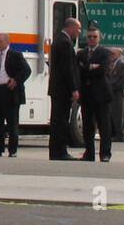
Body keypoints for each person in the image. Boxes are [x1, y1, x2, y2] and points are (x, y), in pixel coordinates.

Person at [0, 33, 31, 157]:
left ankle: (12, 150)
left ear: (7, 42)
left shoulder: (16, 55)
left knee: (12, 123)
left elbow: (27, 70)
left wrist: (16, 80)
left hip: (10, 91)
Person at [77, 24, 114, 162]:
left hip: (102, 94)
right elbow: (78, 70)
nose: (92, 39)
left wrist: (88, 68)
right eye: (89, 37)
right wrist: (90, 67)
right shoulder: (81, 53)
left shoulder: (105, 52)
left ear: (99, 38)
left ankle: (105, 153)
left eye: (95, 37)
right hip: (86, 94)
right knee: (87, 126)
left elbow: (103, 70)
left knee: (104, 125)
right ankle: (89, 153)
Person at [49, 17, 82, 160]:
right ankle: (60, 151)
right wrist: (74, 88)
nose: (79, 32)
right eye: (78, 28)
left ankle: (55, 151)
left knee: (57, 120)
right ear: (71, 27)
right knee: (61, 121)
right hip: (62, 89)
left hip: (56, 88)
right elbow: (67, 68)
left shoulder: (58, 40)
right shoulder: (65, 42)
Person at [107, 45, 124, 143]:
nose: (111, 55)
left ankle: (120, 136)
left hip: (118, 92)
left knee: (119, 114)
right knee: (113, 113)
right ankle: (115, 134)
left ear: (118, 54)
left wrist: (118, 85)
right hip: (112, 91)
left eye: (113, 53)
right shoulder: (113, 63)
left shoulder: (121, 63)